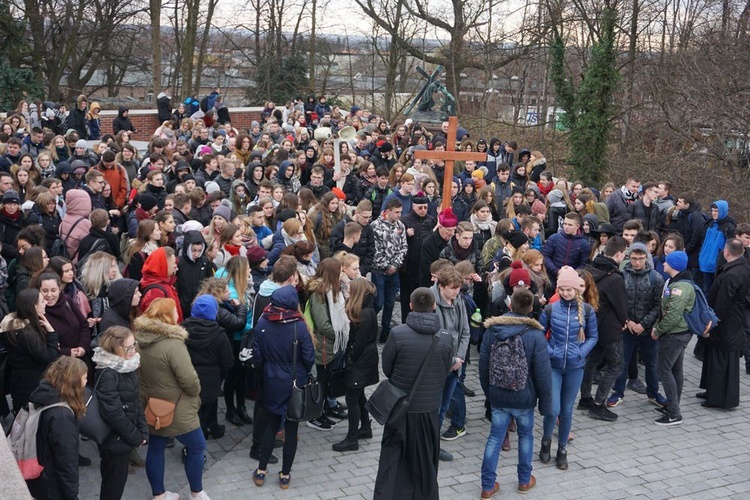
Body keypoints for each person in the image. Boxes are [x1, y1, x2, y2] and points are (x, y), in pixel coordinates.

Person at [374, 287, 453, 500]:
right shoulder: (446, 338)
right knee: (426, 460)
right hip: (428, 410)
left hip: (400, 407)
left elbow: (388, 368)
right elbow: (446, 370)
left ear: (410, 306)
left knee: (393, 458)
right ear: (434, 306)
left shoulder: (397, 334)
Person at [479, 288, 552, 497]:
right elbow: (543, 374)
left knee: (494, 438)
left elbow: (483, 366)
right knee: (526, 436)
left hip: (498, 394)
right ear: (530, 309)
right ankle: (524, 481)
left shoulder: (492, 330)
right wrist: (545, 404)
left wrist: (489, 391)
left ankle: (487, 486)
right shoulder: (536, 335)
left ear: (510, 305)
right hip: (524, 397)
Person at [135, 298, 209, 500]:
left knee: (156, 448)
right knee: (197, 446)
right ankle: (196, 492)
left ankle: (158, 495)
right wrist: (196, 391)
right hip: (178, 407)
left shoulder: (139, 339)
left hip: (152, 405)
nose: (178, 313)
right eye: (175, 310)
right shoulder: (173, 344)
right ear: (167, 316)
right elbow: (189, 380)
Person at [252, 285, 315, 490]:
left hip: (272, 379)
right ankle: (285, 475)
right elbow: (308, 357)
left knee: (271, 423)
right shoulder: (299, 325)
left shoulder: (263, 321)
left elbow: (258, 355)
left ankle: (261, 471)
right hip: (295, 380)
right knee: (292, 428)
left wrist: (268, 370)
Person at [538, 266, 598, 470]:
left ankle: (562, 449)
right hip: (553, 366)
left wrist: (581, 352)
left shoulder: (588, 311)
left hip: (575, 367)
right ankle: (546, 440)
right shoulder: (550, 309)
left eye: (569, 290)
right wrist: (551, 351)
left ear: (577, 290)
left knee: (567, 410)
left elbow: (593, 337)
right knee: (552, 409)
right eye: (561, 289)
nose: (565, 293)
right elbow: (539, 334)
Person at [92, 326, 149, 500]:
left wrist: (143, 430)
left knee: (117, 484)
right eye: (128, 347)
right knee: (112, 487)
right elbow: (113, 413)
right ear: (115, 348)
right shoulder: (108, 372)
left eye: (134, 345)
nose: (133, 350)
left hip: (123, 438)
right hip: (114, 441)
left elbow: (135, 401)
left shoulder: (126, 366)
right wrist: (135, 437)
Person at [608, 243, 667, 408]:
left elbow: (659, 305)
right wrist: (627, 321)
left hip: (647, 329)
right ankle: (617, 392)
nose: (637, 262)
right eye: (634, 258)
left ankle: (653, 393)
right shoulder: (620, 276)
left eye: (641, 259)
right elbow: (617, 302)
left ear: (646, 258)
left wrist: (643, 324)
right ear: (629, 258)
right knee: (621, 361)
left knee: (652, 363)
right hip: (627, 327)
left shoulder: (655, 277)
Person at [579, 236, 628, 421]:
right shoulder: (615, 278)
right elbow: (622, 306)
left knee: (592, 361)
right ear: (618, 254)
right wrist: (625, 321)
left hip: (593, 326)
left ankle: (585, 398)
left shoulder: (590, 269)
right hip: (610, 329)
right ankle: (599, 404)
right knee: (616, 365)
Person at [25, 356, 88, 500]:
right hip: (52, 485)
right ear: (73, 381)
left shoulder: (43, 396)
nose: (86, 382)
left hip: (39, 477)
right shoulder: (62, 416)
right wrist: (72, 494)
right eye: (84, 378)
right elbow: (66, 461)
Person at [699, 239, 750, 409]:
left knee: (721, 359)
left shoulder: (731, 274)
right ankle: (711, 391)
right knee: (715, 356)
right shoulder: (742, 268)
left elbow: (723, 302)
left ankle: (718, 398)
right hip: (732, 320)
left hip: (725, 323)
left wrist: (712, 321)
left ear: (726, 252)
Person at [332, 278, 379, 452]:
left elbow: (358, 343)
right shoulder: (366, 310)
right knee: (358, 396)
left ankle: (352, 438)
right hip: (364, 361)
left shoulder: (364, 314)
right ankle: (365, 427)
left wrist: (350, 360)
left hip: (360, 363)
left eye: (350, 292)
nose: (347, 294)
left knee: (352, 398)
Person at [430, 266, 470, 462]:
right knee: (434, 409)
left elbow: (465, 332)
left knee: (444, 408)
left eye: (458, 288)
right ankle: (428, 446)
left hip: (455, 365)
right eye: (453, 288)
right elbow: (435, 338)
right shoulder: (432, 303)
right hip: (437, 367)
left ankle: (434, 446)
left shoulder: (458, 300)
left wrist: (460, 358)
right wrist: (451, 360)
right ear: (441, 286)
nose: (456, 292)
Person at [651, 250, 694, 426]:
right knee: (676, 369)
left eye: (667, 262)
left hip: (675, 335)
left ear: (674, 266)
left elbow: (672, 316)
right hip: (680, 333)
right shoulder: (679, 282)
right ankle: (672, 404)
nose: (664, 264)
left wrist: (657, 330)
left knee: (664, 370)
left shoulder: (679, 288)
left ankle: (674, 413)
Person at [306, 258, 350, 430]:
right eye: (340, 271)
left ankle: (326, 408)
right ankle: (316, 415)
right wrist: (339, 335)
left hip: (334, 345)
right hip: (325, 346)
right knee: (322, 382)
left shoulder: (335, 290)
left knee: (330, 379)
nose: (343, 274)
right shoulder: (319, 293)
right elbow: (322, 324)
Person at [183, 295, 234, 439]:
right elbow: (228, 361)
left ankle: (201, 434)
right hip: (211, 381)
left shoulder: (181, 330)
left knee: (193, 413)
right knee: (206, 410)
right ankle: (200, 440)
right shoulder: (219, 334)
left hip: (188, 378)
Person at [1, 288, 60, 413]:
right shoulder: (26, 334)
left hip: (23, 383)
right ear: (33, 306)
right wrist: (51, 332)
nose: (46, 303)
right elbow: (50, 358)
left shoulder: (19, 328)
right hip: (30, 386)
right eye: (42, 301)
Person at [371, 198, 407, 343]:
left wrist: (396, 265)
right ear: (388, 211)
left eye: (400, 212)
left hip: (394, 270)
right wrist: (387, 265)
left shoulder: (400, 226)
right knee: (379, 302)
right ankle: (370, 326)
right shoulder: (375, 226)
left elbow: (404, 247)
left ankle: (386, 331)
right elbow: (375, 250)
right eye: (397, 212)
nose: (399, 215)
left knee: (390, 303)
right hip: (379, 270)